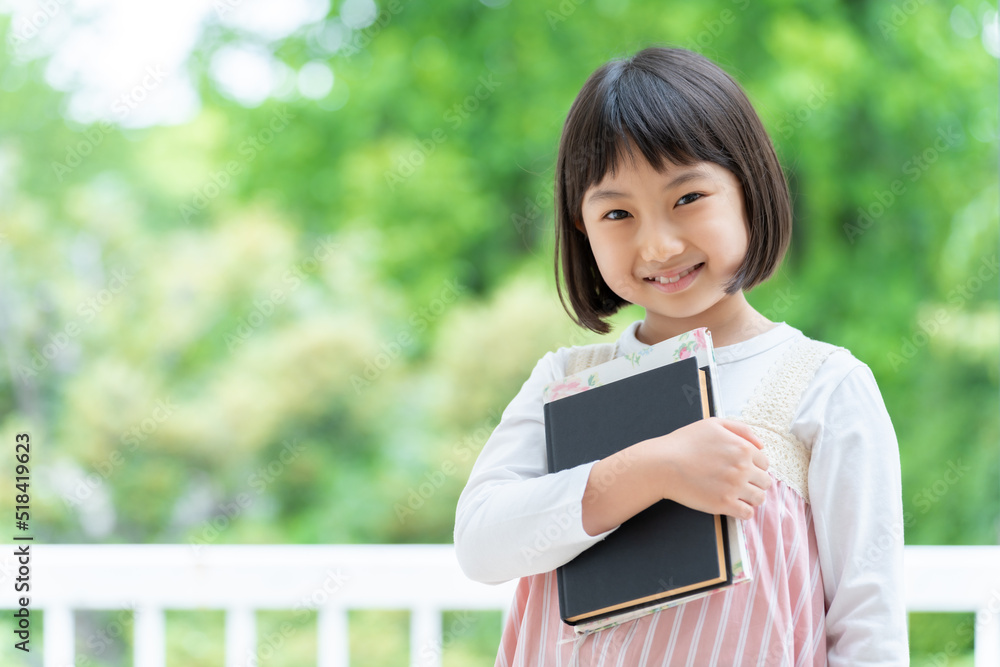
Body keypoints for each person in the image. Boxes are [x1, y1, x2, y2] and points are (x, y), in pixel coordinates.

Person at [453, 46, 908, 666]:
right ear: (582, 230)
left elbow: (867, 624)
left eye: (688, 197)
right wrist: (654, 469)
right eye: (618, 213)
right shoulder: (564, 381)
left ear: (749, 190)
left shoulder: (825, 387)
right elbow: (482, 544)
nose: (659, 244)